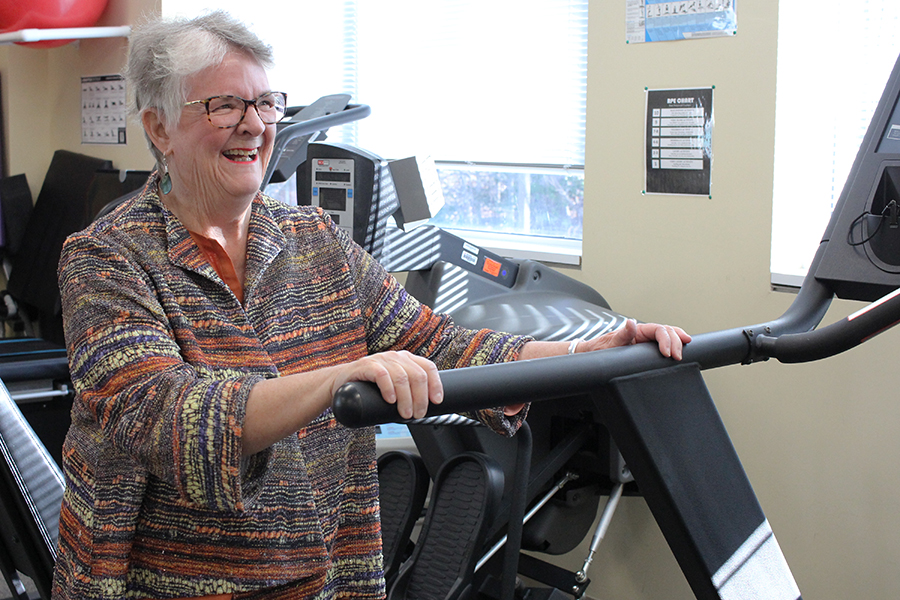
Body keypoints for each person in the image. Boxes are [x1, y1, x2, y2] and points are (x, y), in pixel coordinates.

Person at [51, 11, 691, 600]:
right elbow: (165, 415)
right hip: (167, 583)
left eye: (266, 103)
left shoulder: (315, 240)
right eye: (225, 105)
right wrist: (338, 379)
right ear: (159, 128)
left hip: (322, 571)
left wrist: (587, 352)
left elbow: (439, 342)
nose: (255, 124)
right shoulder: (106, 259)